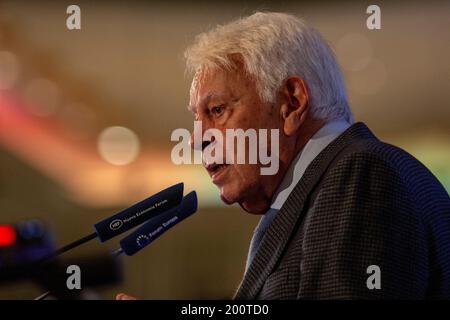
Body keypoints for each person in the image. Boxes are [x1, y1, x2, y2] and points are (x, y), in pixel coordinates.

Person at [117, 12, 450, 300]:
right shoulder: (318, 191)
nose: (196, 139)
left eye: (217, 110)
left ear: (291, 102)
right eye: (196, 119)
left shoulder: (360, 175)